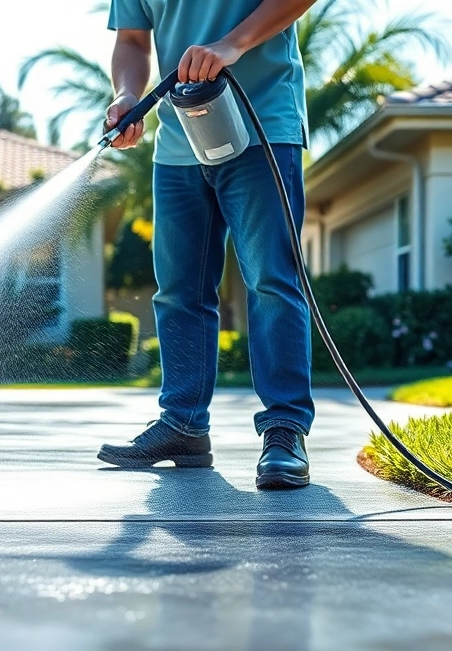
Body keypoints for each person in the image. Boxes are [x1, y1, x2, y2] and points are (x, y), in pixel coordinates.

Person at [97, 0, 318, 490]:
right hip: (179, 141)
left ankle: (285, 431)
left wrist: (232, 44)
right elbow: (131, 40)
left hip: (263, 127)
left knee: (270, 281)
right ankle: (183, 426)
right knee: (179, 291)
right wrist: (127, 94)